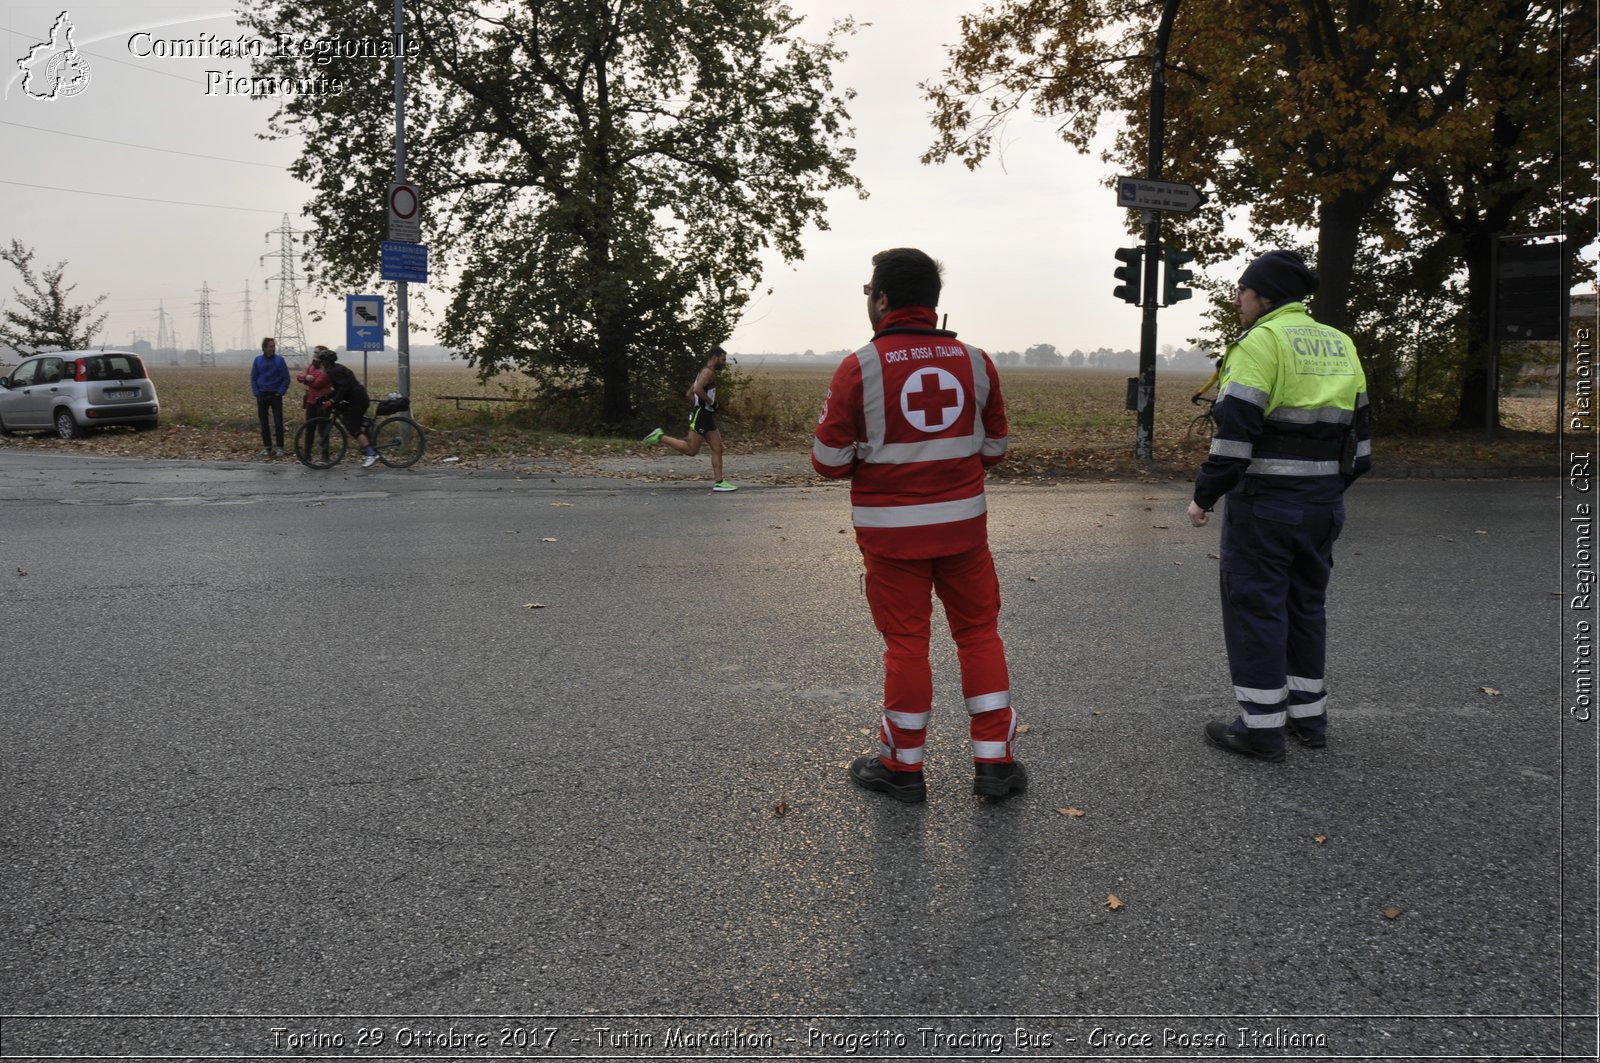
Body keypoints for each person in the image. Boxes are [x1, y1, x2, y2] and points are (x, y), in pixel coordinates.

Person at [812, 247, 1023, 803]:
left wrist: (869, 450)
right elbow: (996, 448)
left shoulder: (860, 366)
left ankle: (903, 768)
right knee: (979, 635)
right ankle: (994, 763)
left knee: (907, 642)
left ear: (882, 300)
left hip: (892, 538)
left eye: (868, 294)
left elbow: (828, 462)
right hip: (963, 532)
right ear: (932, 301)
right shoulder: (976, 361)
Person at [1187, 249, 1372, 762]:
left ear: (1263, 296)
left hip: (1266, 506)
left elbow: (1235, 435)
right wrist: (1325, 490)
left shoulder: (1260, 343)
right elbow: (1360, 444)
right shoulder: (1340, 344)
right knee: (1306, 606)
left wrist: (1205, 494)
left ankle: (1261, 729)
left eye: (1243, 293)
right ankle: (1308, 718)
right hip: (1324, 505)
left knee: (1257, 608)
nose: (1239, 302)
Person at [642, 346, 737, 492]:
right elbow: (697, 390)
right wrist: (711, 403)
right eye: (723, 360)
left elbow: (689, 394)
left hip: (704, 414)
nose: (724, 363)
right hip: (702, 415)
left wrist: (700, 406)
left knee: (718, 447)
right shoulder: (708, 372)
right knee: (691, 450)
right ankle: (660, 436)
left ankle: (719, 482)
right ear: (714, 357)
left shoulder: (703, 372)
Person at [317, 350, 377, 468]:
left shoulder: (334, 371)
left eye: (321, 362)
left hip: (358, 400)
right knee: (349, 420)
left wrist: (332, 401)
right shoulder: (334, 370)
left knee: (353, 428)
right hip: (355, 398)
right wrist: (327, 397)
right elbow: (339, 389)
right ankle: (365, 430)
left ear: (326, 362)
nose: (320, 364)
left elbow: (344, 389)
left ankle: (371, 454)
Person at [250, 337, 290, 457]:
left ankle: (279, 447)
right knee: (264, 423)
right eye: (271, 346)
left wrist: (280, 392)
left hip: (275, 395)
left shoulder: (279, 360)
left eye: (274, 346)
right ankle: (267, 447)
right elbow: (253, 377)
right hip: (262, 395)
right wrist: (256, 392)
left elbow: (286, 378)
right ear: (264, 348)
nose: (273, 348)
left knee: (278, 422)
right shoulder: (257, 360)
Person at [297, 347, 333, 461]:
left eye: (317, 352)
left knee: (323, 429)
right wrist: (306, 377)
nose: (314, 354)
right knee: (309, 428)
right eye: (314, 352)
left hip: (322, 402)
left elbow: (319, 383)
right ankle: (307, 455)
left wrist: (306, 381)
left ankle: (325, 456)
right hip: (311, 401)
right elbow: (299, 376)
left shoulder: (326, 368)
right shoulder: (311, 366)